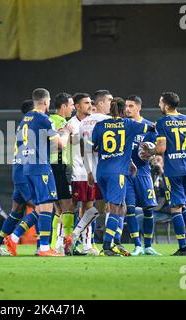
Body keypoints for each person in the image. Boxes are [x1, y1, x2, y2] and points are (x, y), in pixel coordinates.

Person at [4, 88, 70, 257]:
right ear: (46, 102)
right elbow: (60, 145)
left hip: (27, 166)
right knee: (47, 206)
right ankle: (44, 248)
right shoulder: (43, 118)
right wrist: (66, 133)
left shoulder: (26, 119)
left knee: (41, 207)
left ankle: (14, 236)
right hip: (40, 166)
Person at [83, 98, 150, 256]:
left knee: (117, 208)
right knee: (116, 208)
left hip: (102, 171)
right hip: (117, 173)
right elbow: (151, 128)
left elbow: (94, 147)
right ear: (123, 111)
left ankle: (115, 242)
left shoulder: (100, 125)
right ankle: (107, 246)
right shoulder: (129, 124)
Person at [140, 92, 186, 256]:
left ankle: (182, 247)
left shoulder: (162, 122)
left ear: (166, 105)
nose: (159, 106)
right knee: (182, 205)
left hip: (173, 169)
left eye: (160, 103)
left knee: (175, 207)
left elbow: (161, 149)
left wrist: (149, 151)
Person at [0, 99, 37, 256]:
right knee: (43, 208)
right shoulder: (32, 125)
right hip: (26, 172)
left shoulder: (21, 126)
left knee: (16, 211)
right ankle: (15, 237)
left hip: (17, 171)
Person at [68, 90, 113, 256]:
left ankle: (76, 234)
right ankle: (112, 244)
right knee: (114, 207)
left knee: (99, 206)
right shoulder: (108, 121)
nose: (111, 103)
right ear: (100, 103)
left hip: (92, 171)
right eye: (109, 100)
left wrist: (88, 170)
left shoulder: (84, 122)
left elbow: (82, 148)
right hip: (107, 170)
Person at [123, 95, 161, 256]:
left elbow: (158, 148)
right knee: (130, 209)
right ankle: (137, 245)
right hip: (127, 174)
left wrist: (151, 153)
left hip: (144, 173)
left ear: (139, 107)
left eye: (131, 106)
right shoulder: (123, 126)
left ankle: (148, 245)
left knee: (148, 210)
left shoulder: (149, 127)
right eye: (126, 106)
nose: (127, 109)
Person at [65, 93, 95, 254]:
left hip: (91, 173)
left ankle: (86, 244)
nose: (90, 105)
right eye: (86, 103)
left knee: (89, 208)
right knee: (70, 207)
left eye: (90, 102)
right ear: (77, 106)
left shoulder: (93, 122)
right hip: (77, 172)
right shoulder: (71, 124)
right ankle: (65, 241)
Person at [49, 92, 76, 254]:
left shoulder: (49, 120)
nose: (72, 108)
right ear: (64, 106)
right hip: (58, 166)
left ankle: (55, 243)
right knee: (68, 207)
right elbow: (62, 144)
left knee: (58, 208)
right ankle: (66, 242)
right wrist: (67, 132)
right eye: (71, 105)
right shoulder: (61, 122)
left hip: (50, 166)